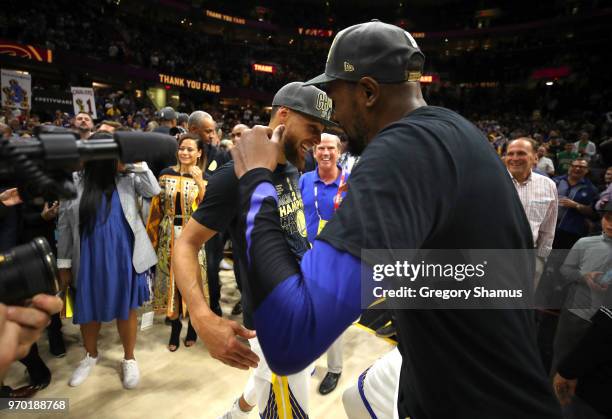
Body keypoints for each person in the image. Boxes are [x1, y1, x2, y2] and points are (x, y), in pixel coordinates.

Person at [230, 21, 561, 418]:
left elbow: (289, 340)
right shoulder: (459, 133)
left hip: (475, 400)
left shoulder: (402, 150)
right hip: (475, 372)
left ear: (367, 92)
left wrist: (255, 181)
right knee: (360, 397)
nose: (332, 116)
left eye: (334, 97)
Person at [174, 82, 335, 419]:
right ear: (283, 115)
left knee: (268, 375)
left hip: (303, 306)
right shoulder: (235, 175)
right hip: (276, 323)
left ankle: (235, 413)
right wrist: (203, 318)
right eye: (313, 129)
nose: (318, 141)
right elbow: (185, 243)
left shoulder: (294, 164)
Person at [57, 132, 160, 389]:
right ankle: (90, 355)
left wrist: (134, 162)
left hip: (124, 254)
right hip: (88, 257)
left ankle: (129, 358)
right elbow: (65, 227)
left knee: (126, 309)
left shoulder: (128, 177)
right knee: (88, 309)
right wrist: (64, 264)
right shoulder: (74, 181)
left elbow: (153, 189)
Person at [146, 133, 208, 351]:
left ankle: (193, 327)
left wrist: (200, 182)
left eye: (190, 149)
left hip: (193, 237)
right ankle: (174, 328)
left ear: (199, 153)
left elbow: (209, 209)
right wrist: (151, 241)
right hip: (168, 233)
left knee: (192, 282)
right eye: (182, 148)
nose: (185, 152)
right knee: (172, 281)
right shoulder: (165, 175)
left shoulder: (205, 178)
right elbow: (156, 209)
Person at [299, 132, 347, 394]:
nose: (325, 153)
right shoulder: (305, 180)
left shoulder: (349, 183)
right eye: (320, 148)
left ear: (339, 151)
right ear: (314, 152)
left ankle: (335, 368)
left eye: (330, 148)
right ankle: (309, 360)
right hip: (307, 256)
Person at [188, 110, 232, 317]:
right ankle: (183, 309)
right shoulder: (180, 153)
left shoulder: (221, 155)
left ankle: (214, 308)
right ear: (192, 130)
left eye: (214, 131)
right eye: (208, 131)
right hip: (184, 222)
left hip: (211, 223)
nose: (212, 136)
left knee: (211, 267)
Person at [505, 138, 558, 288]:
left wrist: (540, 261)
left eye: (521, 153)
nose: (514, 158)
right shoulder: (490, 181)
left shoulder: (548, 185)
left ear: (535, 157)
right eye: (510, 154)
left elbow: (548, 228)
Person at [553, 158, 598, 250]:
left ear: (587, 170)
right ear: (569, 167)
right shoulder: (555, 181)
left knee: (559, 259)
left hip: (570, 231)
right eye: (575, 166)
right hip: (548, 226)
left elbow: (593, 214)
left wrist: (576, 205)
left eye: (581, 167)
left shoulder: (591, 189)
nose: (577, 169)